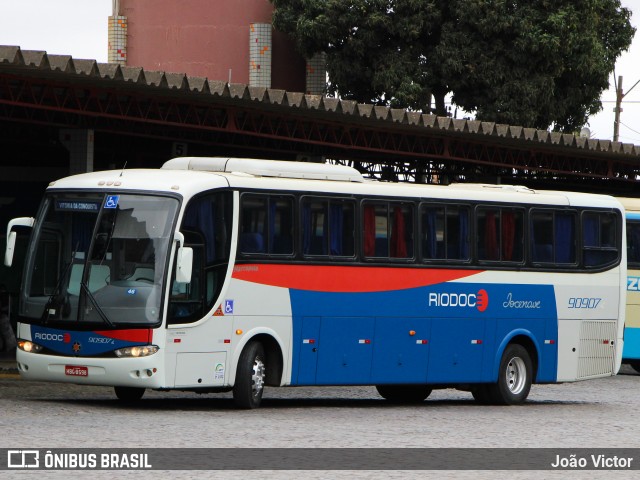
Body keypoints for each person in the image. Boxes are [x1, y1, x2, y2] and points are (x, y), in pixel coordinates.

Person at [0, 287, 17, 352]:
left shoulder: (6, 296)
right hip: (5, 315)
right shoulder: (6, 296)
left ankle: (9, 347)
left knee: (7, 333)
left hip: (4, 316)